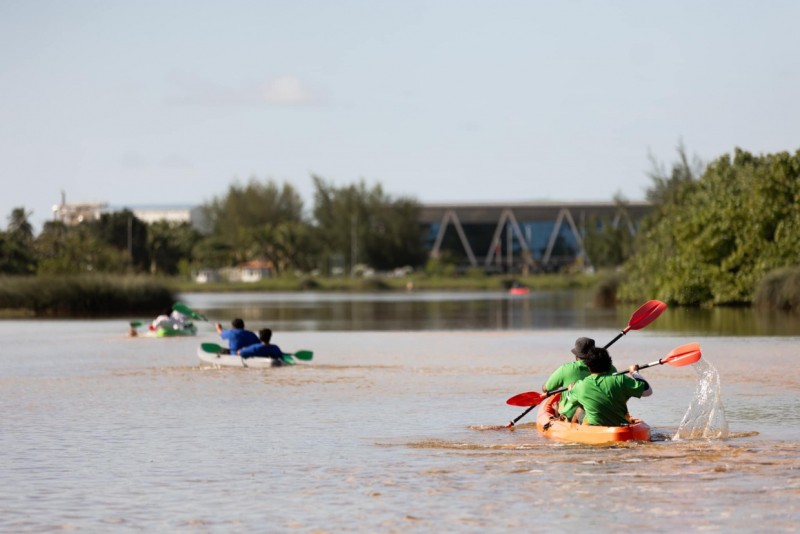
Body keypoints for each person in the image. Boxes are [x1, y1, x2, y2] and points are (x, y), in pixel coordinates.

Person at [566, 346, 653, 426]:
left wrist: (570, 390)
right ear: (609, 364)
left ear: (588, 366)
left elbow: (570, 399)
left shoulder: (580, 385)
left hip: (596, 428)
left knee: (579, 410)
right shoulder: (620, 379)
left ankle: (572, 430)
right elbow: (648, 392)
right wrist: (634, 373)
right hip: (620, 426)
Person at [541, 337, 616, 420]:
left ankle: (559, 413)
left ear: (576, 356)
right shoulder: (611, 368)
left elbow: (546, 389)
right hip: (604, 413)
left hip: (572, 415)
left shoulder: (566, 369)